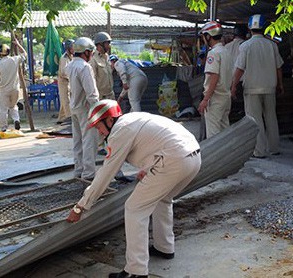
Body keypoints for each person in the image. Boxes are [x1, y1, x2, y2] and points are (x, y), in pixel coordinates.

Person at [66, 99, 201, 278]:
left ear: (109, 120)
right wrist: (147, 168)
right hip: (193, 157)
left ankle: (136, 271)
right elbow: (158, 141)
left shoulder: (120, 131)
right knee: (163, 199)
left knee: (134, 209)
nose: (99, 132)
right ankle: (165, 247)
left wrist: (81, 206)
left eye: (99, 127)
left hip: (173, 160)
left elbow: (106, 173)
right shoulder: (133, 119)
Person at [231, 14, 284, 158]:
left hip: (252, 88)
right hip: (270, 87)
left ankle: (259, 151)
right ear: (264, 27)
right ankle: (274, 148)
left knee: (255, 120)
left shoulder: (245, 46)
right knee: (271, 117)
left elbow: (240, 68)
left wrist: (233, 85)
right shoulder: (272, 45)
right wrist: (280, 84)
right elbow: (279, 67)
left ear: (249, 27)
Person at [65, 37, 100, 180]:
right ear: (86, 52)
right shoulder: (85, 67)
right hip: (85, 109)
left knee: (77, 141)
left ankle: (79, 170)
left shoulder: (70, 65)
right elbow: (91, 93)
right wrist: (98, 110)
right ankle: (89, 173)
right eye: (91, 52)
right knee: (89, 141)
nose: (92, 54)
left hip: (74, 107)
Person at [197, 21, 233, 138]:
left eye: (204, 37)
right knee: (224, 131)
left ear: (208, 36)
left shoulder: (214, 53)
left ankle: (217, 157)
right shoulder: (226, 52)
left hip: (215, 99)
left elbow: (214, 77)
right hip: (225, 96)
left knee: (214, 135)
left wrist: (205, 99)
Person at [0, 39, 27, 131]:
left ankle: (3, 127)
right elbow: (24, 54)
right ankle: (16, 119)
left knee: (3, 109)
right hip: (15, 89)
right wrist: (18, 44)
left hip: (3, 90)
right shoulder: (15, 59)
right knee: (13, 106)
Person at [90, 32, 115, 100]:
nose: (109, 46)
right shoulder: (93, 59)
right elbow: (92, 80)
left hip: (111, 95)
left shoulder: (107, 57)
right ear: (100, 44)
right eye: (107, 43)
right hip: (101, 97)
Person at [57, 39, 74, 124]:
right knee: (66, 99)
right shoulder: (64, 58)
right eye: (73, 47)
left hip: (68, 81)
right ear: (68, 48)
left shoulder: (71, 57)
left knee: (65, 100)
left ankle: (61, 118)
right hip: (64, 81)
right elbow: (64, 72)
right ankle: (69, 117)